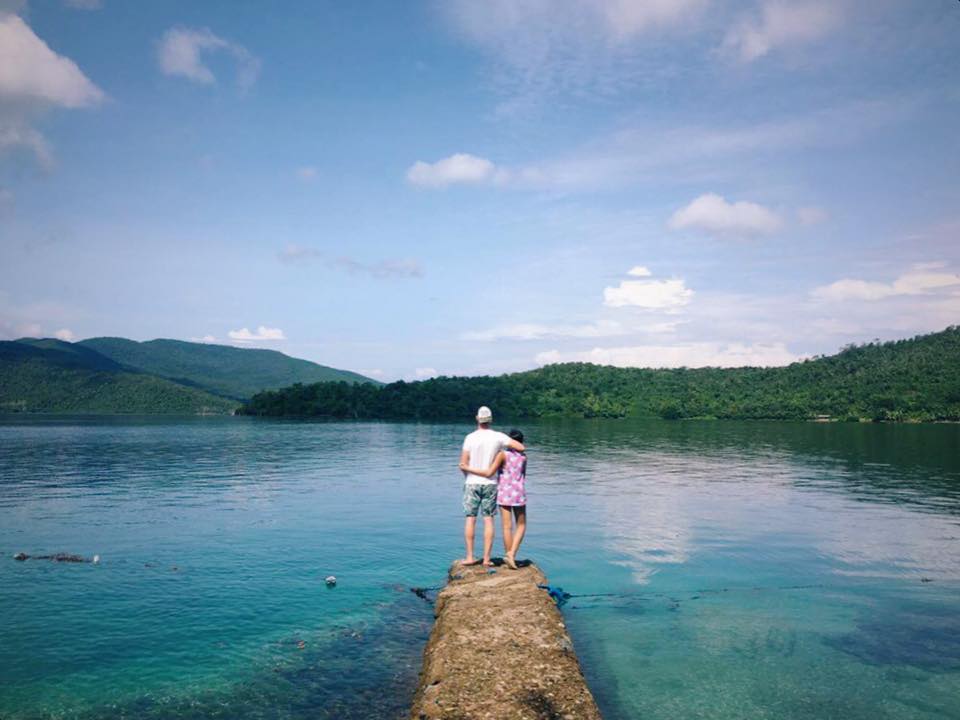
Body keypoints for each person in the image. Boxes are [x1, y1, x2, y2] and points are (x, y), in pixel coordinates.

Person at [458, 406, 525, 567]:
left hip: (471, 483)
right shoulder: (498, 436)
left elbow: (463, 463)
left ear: (477, 418)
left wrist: (468, 476)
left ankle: (469, 557)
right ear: (491, 420)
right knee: (489, 520)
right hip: (491, 484)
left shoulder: (470, 438)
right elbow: (521, 447)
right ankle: (487, 559)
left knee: (470, 519)